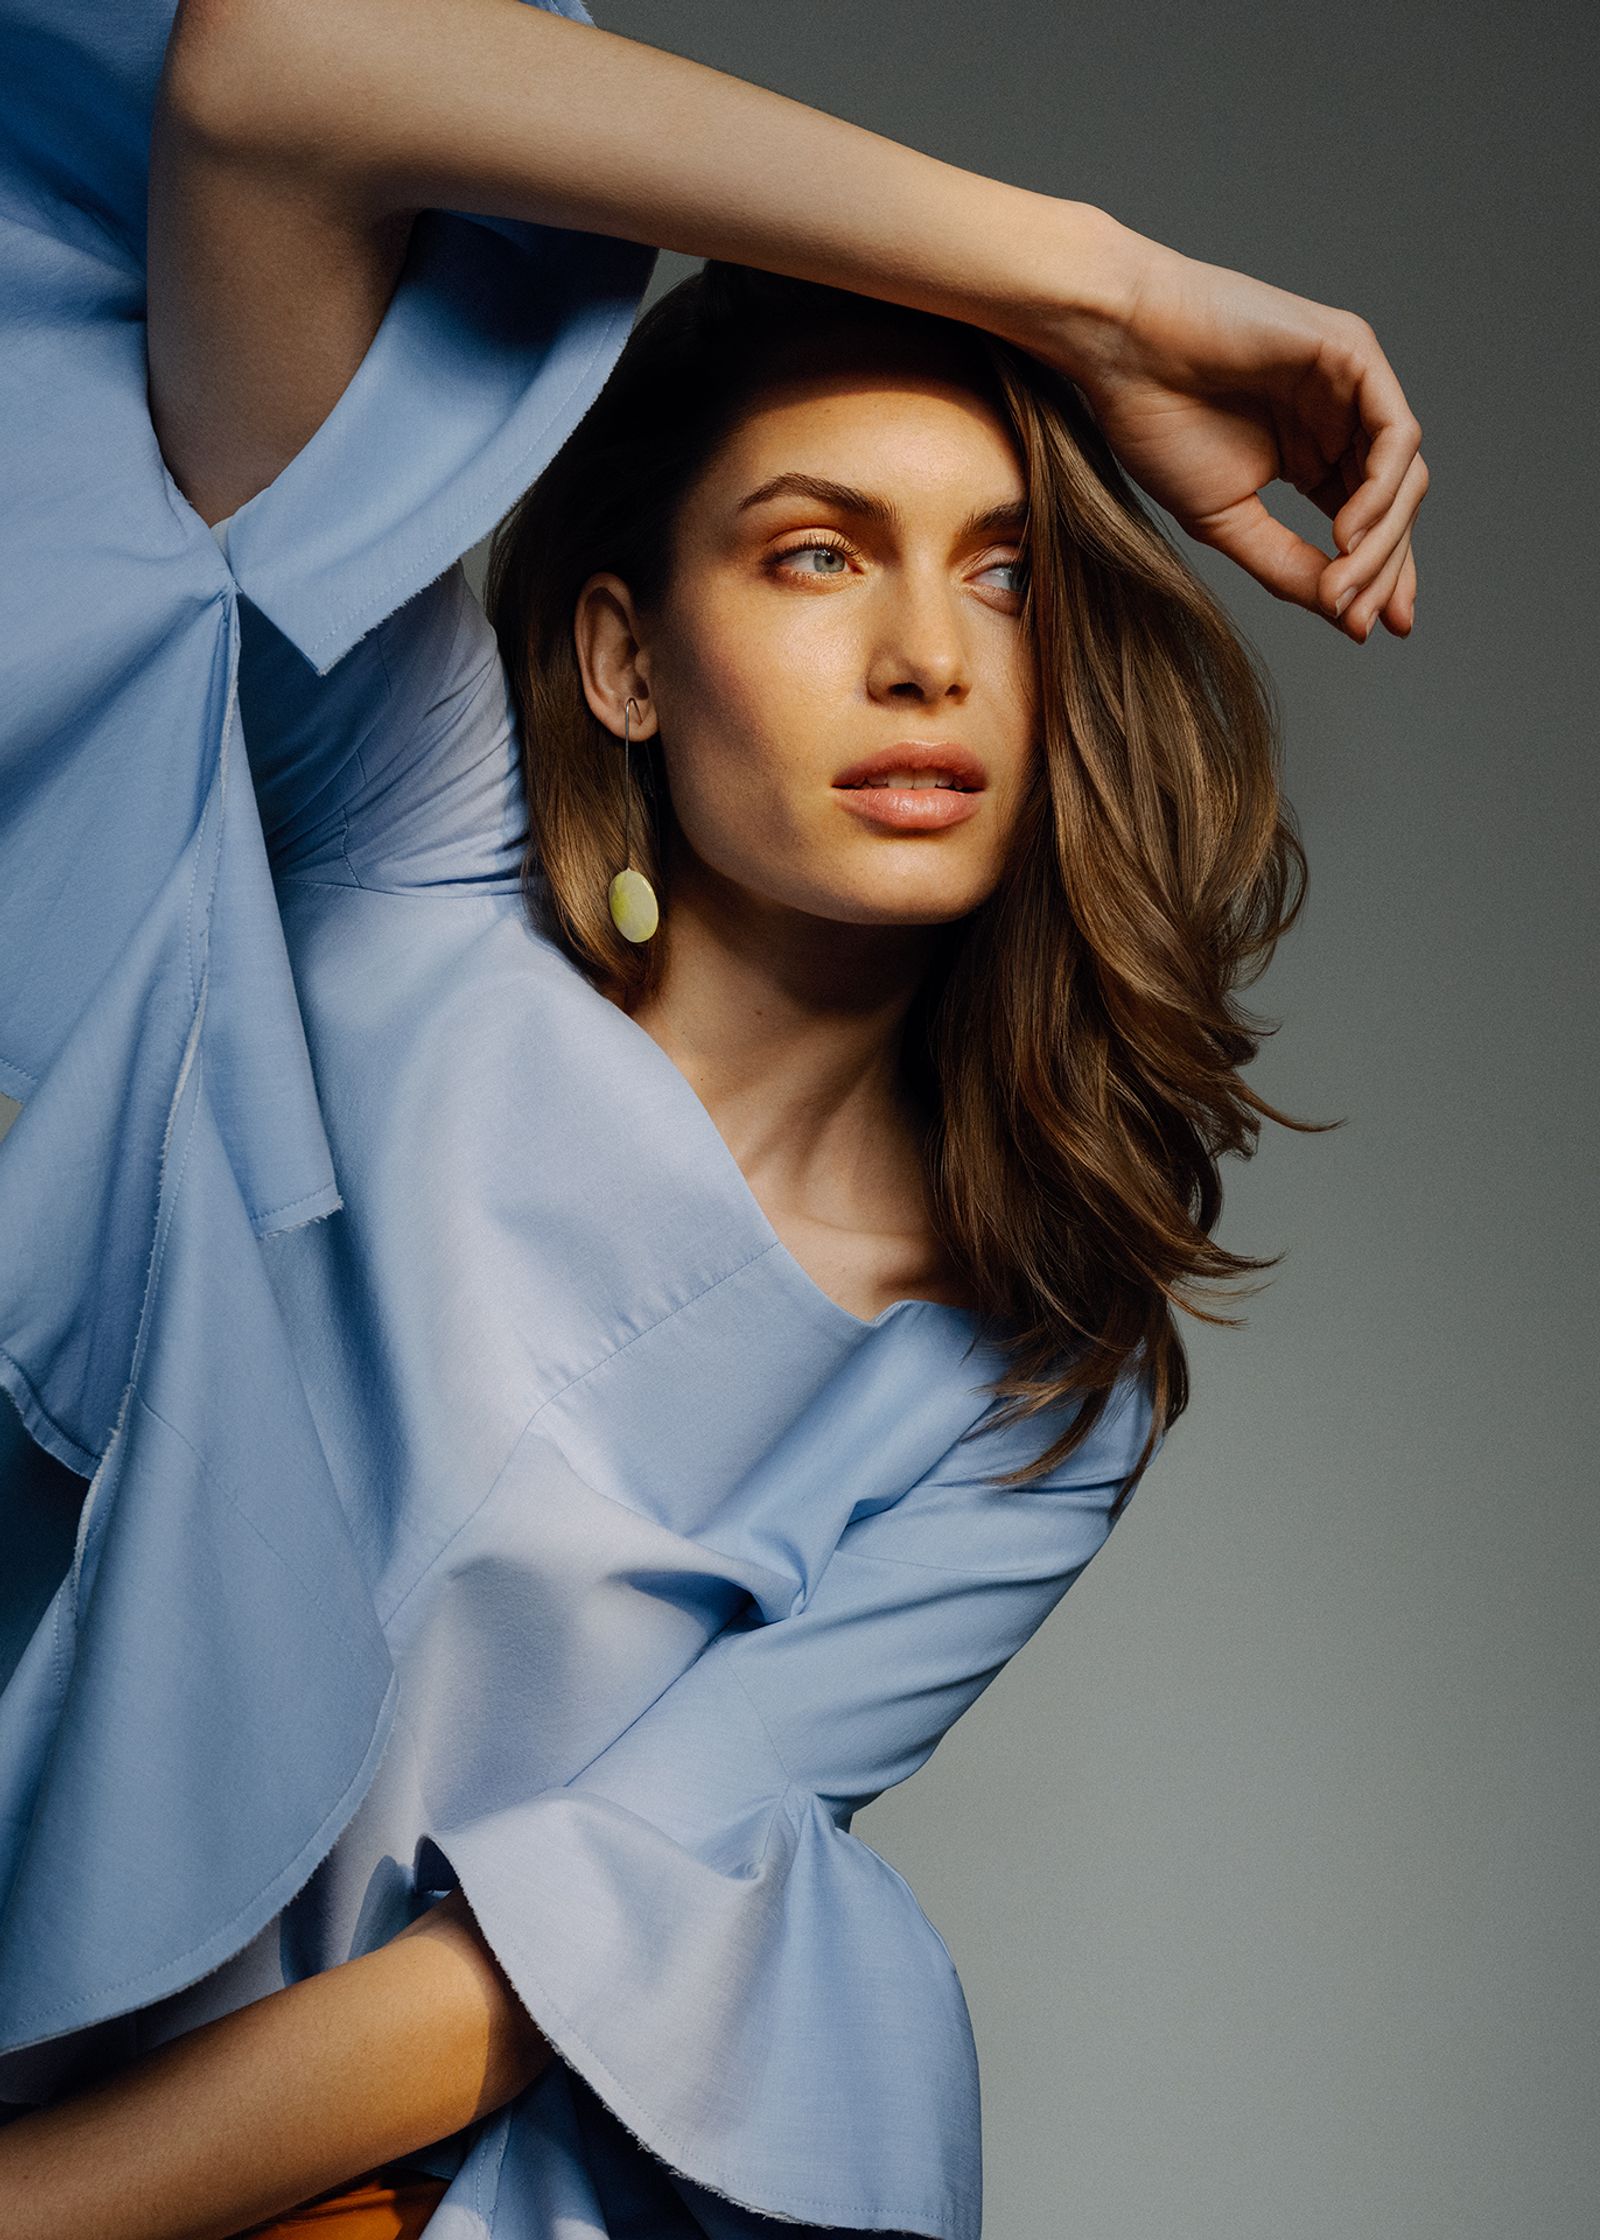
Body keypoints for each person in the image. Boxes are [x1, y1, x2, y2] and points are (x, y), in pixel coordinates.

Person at [0, 1, 1427, 2235]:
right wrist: (1092, 287)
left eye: (999, 574)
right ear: (619, 661)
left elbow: (540, 1969)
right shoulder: (408, 843)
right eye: (812, 551)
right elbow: (274, 80)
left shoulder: (1031, 1383)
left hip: (264, 2191)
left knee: (796, 1952)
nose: (926, 658)